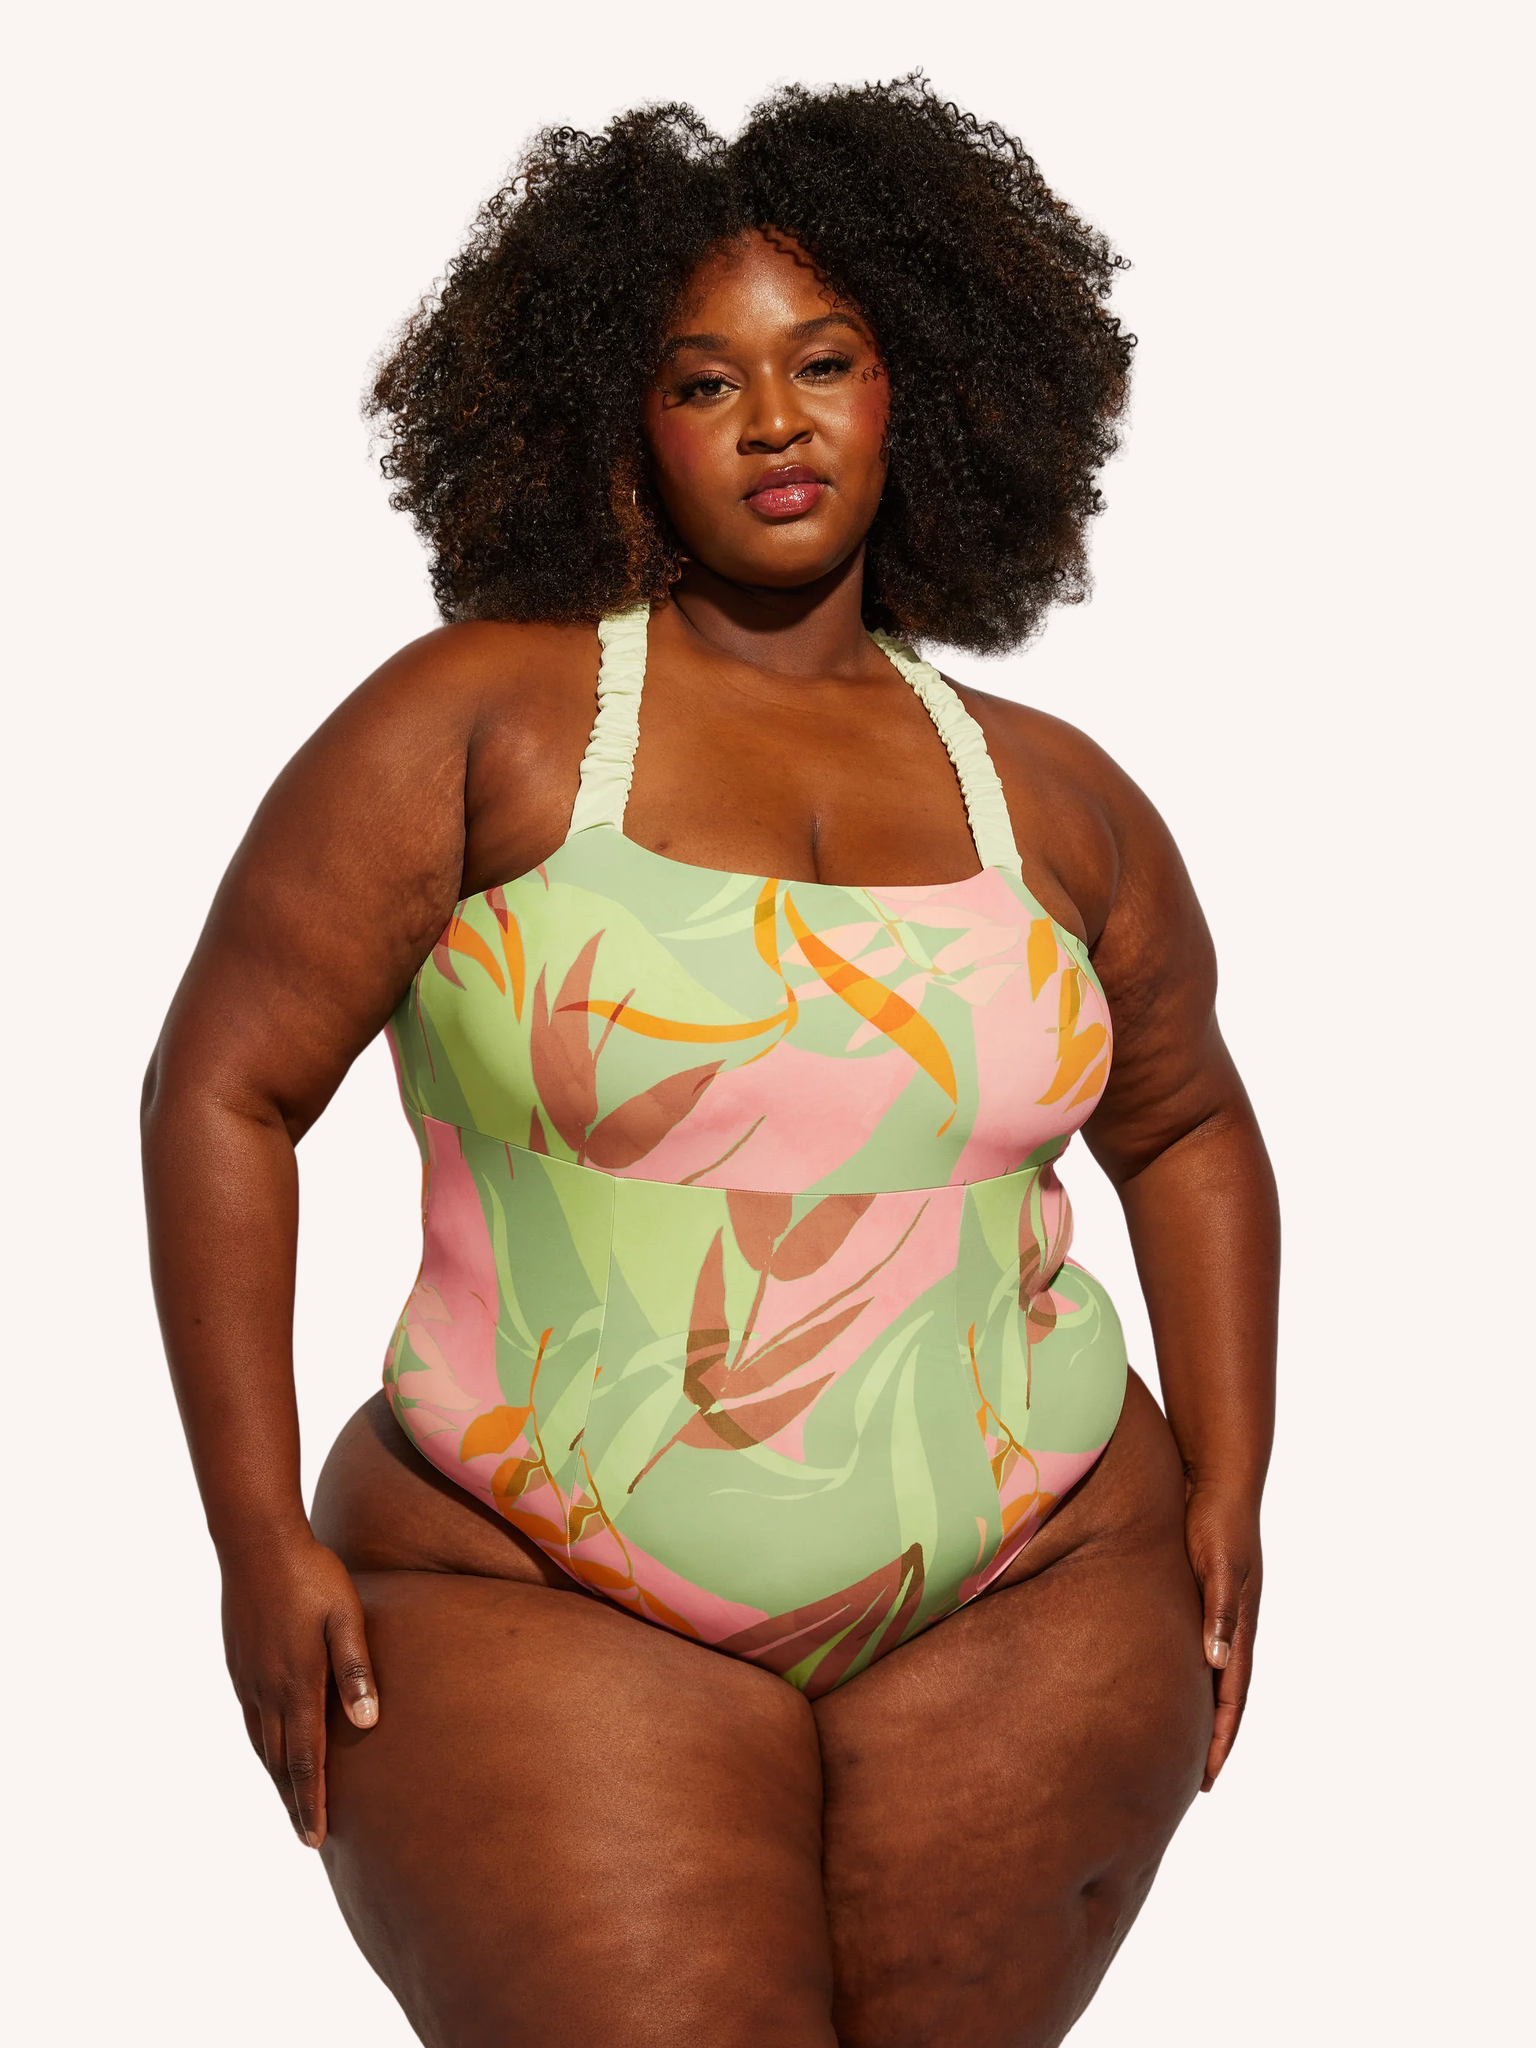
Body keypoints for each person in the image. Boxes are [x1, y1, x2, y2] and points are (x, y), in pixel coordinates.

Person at [143, 77, 1278, 2048]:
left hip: (1034, 1593)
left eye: (824, 362)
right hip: (528, 1587)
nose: (775, 421)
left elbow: (1187, 1124)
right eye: (704, 380)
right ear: (618, 421)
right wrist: (252, 1533)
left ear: (924, 390)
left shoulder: (1054, 798)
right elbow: (221, 1090)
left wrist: (1237, 1481)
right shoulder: (484, 724)